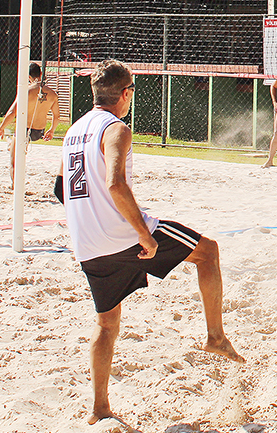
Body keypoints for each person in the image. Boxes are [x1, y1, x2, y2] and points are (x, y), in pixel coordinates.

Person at [57, 59, 243, 425]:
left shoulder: (73, 130)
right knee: (208, 252)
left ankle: (100, 408)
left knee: (106, 322)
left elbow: (61, 189)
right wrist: (143, 234)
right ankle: (215, 336)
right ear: (125, 94)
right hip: (122, 236)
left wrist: (89, 217)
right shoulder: (116, 128)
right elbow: (115, 184)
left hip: (87, 244)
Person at [0, 61, 60, 186]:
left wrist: (1, 128)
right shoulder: (52, 94)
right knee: (18, 146)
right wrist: (51, 130)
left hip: (24, 130)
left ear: (28, 77)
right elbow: (57, 117)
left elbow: (12, 113)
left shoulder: (26, 91)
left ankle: (16, 187)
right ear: (40, 74)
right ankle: (12, 143)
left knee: (14, 161)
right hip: (38, 132)